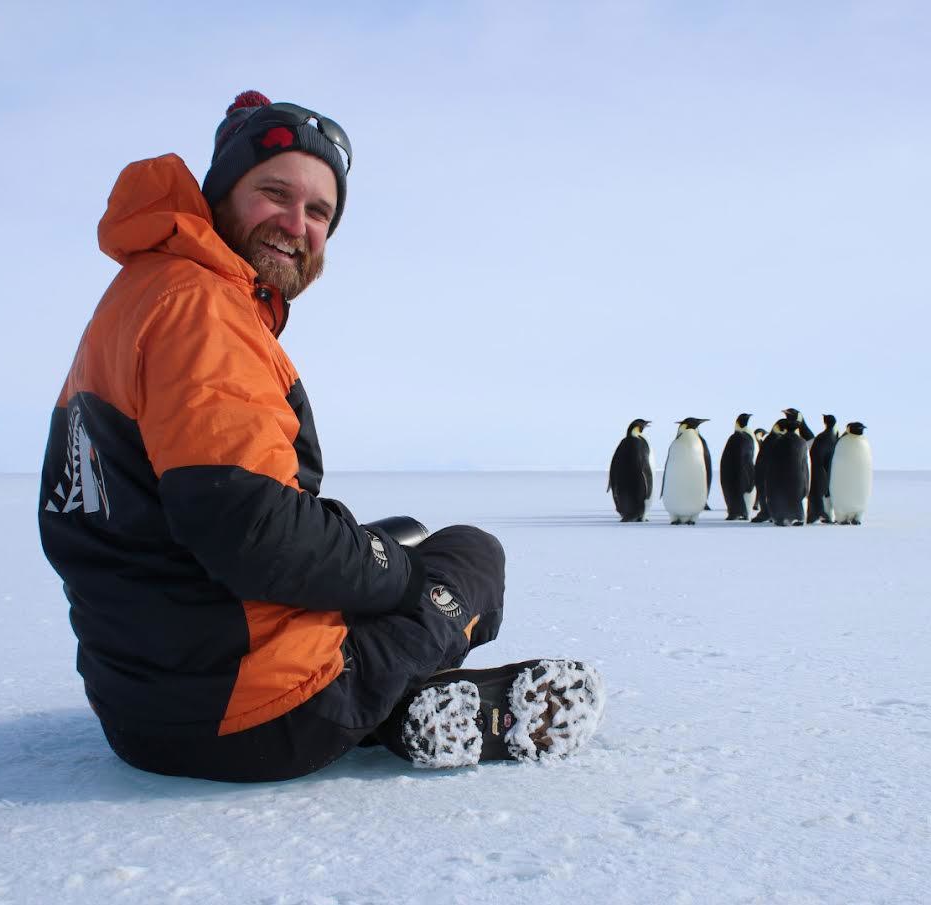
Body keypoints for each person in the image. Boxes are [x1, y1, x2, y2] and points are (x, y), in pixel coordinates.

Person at [38, 91, 605, 782]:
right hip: (257, 716)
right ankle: (389, 706)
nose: (295, 223)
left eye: (318, 211)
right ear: (220, 194)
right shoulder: (205, 309)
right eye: (272, 193)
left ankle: (389, 692)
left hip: (140, 706)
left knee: (399, 533)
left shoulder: (145, 291)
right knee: (464, 556)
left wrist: (372, 554)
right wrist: (400, 579)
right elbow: (252, 531)